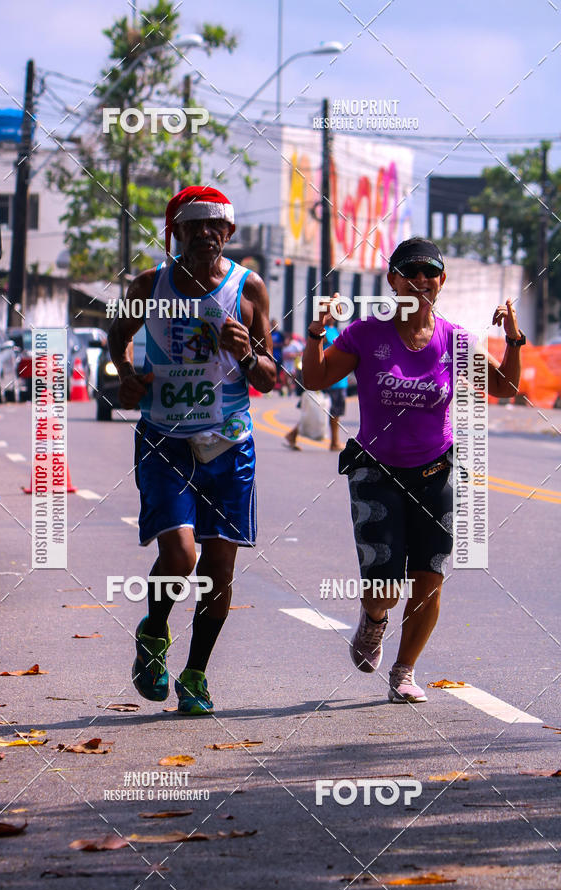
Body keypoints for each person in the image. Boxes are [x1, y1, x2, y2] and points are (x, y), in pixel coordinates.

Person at [302, 237, 524, 703]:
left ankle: (404, 671)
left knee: (429, 578)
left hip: (435, 473)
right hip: (376, 473)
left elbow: (503, 387)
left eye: (430, 272)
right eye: (410, 271)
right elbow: (317, 378)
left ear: (442, 280)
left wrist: (514, 341)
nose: (420, 280)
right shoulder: (366, 333)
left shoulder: (452, 339)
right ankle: (375, 617)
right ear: (393, 280)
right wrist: (317, 334)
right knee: (384, 587)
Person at [108, 185, 276, 715]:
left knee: (219, 570)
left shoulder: (248, 290)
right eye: (193, 225)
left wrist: (247, 353)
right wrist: (127, 376)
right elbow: (118, 335)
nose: (204, 234)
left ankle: (197, 674)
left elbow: (271, 378)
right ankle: (155, 632)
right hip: (165, 438)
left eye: (215, 226)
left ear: (228, 233)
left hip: (229, 443)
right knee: (180, 556)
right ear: (174, 233)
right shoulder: (148, 285)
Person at [324, 313, 347, 451]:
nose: (331, 316)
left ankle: (293, 434)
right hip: (332, 379)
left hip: (340, 378)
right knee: (332, 411)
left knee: (333, 412)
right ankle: (335, 441)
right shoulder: (325, 331)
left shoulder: (335, 331)